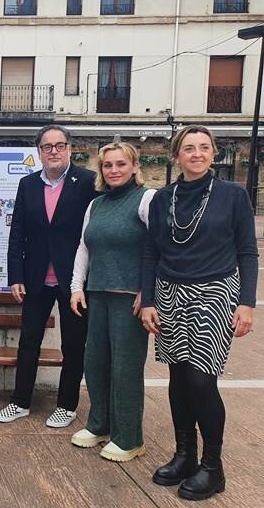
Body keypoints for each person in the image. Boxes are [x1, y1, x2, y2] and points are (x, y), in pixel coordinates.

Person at [140, 125, 256, 501]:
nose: (197, 153)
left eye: (204, 147)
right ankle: (184, 455)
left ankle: (212, 466)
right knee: (177, 376)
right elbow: (151, 251)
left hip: (215, 291)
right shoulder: (163, 199)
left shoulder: (233, 196)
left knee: (201, 380)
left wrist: (247, 303)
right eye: (189, 148)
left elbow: (247, 252)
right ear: (177, 156)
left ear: (213, 153)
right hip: (169, 290)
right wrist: (149, 300)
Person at [0, 125, 97, 428]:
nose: (54, 151)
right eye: (47, 146)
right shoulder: (27, 185)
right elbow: (18, 233)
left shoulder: (88, 182)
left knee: (73, 345)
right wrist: (16, 275)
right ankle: (20, 402)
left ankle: (66, 405)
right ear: (38, 152)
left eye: (59, 145)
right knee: (28, 342)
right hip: (36, 277)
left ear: (69, 148)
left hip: (75, 281)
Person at [69, 142, 155, 462]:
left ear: (134, 167)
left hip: (129, 298)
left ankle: (129, 438)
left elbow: (158, 246)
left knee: (125, 368)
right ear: (101, 170)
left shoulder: (147, 199)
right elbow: (84, 246)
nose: (114, 170)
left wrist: (149, 291)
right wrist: (77, 286)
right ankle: (100, 424)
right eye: (108, 165)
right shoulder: (97, 204)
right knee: (96, 363)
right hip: (98, 294)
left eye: (121, 164)